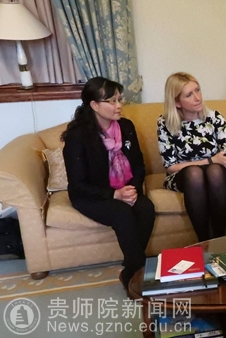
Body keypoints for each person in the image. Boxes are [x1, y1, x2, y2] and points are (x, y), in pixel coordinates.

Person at [62, 77, 155, 295]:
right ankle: (139, 274)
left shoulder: (126, 127)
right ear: (94, 105)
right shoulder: (78, 136)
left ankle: (130, 270)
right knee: (122, 213)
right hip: (91, 195)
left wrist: (133, 189)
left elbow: (138, 165)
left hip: (124, 188)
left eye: (119, 100)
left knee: (146, 208)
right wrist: (114, 194)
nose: (119, 106)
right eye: (112, 101)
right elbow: (78, 184)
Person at [157, 72, 226, 242]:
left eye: (197, 90)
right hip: (183, 176)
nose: (197, 98)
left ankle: (219, 240)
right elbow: (171, 166)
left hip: (216, 174)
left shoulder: (214, 118)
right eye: (189, 95)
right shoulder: (165, 123)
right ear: (177, 102)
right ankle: (204, 241)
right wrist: (210, 160)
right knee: (195, 173)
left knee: (215, 171)